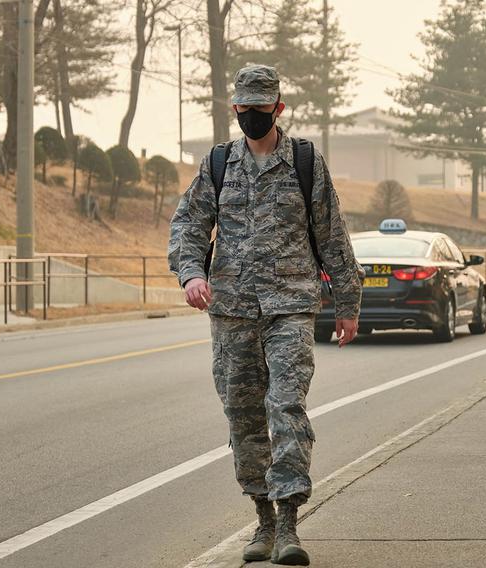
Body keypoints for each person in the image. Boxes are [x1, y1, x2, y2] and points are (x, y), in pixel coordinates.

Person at [168, 64, 363, 566]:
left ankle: (291, 522)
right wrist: (192, 274)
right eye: (244, 109)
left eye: (261, 108)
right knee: (244, 416)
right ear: (235, 109)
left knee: (286, 408)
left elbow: (331, 233)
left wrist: (348, 304)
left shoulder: (304, 161)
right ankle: (263, 519)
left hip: (291, 307)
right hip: (231, 311)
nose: (252, 116)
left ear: (278, 108)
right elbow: (189, 225)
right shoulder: (216, 164)